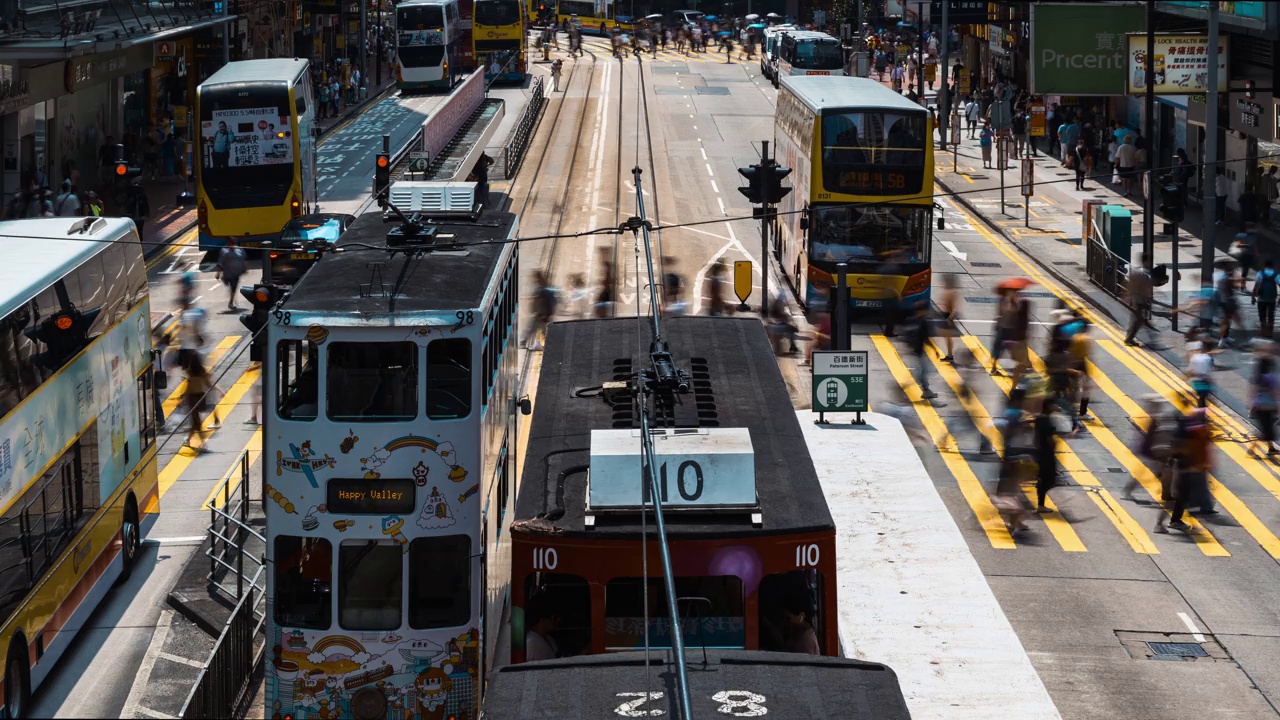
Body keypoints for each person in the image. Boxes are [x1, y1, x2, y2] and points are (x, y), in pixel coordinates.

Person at [1251, 354, 1279, 458]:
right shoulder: (1271, 378)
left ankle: (1271, 448)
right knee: (1266, 430)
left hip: (1258, 405)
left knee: (1266, 428)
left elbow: (1253, 391)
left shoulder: (1257, 377)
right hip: (1268, 406)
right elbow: (1275, 393)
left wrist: (1252, 404)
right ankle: (1252, 450)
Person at [1124, 258, 1154, 347]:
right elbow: (1148, 289)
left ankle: (1130, 337)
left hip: (1132, 298)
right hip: (1140, 300)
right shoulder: (1145, 275)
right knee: (1137, 320)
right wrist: (1148, 299)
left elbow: (1127, 280)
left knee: (1133, 319)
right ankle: (1129, 338)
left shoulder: (1133, 272)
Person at [524, 595, 561, 661]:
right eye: (554, 617)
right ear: (543, 619)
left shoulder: (548, 638)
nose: (559, 620)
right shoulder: (533, 643)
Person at [216, 238, 248, 311]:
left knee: (233, 288)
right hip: (227, 273)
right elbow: (220, 262)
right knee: (229, 284)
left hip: (236, 273)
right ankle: (226, 282)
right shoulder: (224, 251)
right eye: (231, 243)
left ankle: (231, 302)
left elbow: (243, 260)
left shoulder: (240, 250)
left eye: (233, 243)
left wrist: (245, 268)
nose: (232, 245)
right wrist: (218, 273)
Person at [1255, 259, 1279, 338]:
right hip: (1272, 299)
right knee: (1271, 315)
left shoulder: (1260, 273)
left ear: (1265, 266)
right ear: (1272, 266)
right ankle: (1270, 333)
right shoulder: (1276, 274)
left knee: (1262, 315)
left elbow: (1256, 285)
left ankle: (1263, 331)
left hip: (1261, 298)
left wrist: (1253, 296)